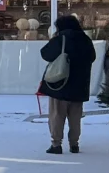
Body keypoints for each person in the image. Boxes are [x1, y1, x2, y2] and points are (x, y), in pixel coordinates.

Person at [39, 14, 98, 154]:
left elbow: (45, 54)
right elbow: (92, 57)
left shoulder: (61, 39)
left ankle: (56, 144)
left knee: (57, 115)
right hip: (80, 85)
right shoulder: (85, 39)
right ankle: (74, 144)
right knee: (75, 117)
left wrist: (54, 40)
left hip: (60, 84)